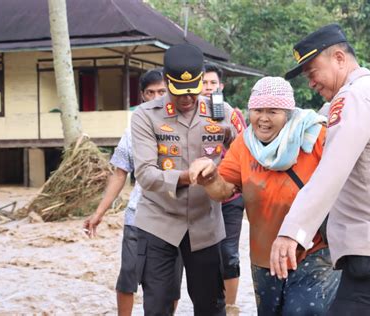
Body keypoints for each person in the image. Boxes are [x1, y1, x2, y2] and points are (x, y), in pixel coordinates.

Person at [269, 23, 370, 315]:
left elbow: (332, 171)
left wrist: (291, 232)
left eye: (312, 72)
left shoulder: (352, 97)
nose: (311, 83)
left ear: (339, 58)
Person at [190, 76, 340, 315]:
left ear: (288, 113)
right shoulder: (244, 145)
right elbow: (223, 191)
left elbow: (343, 179)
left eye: (273, 111)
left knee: (300, 311)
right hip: (265, 256)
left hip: (314, 252)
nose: (264, 119)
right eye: (257, 110)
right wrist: (210, 178)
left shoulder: (314, 137)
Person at [130, 44, 241, 316]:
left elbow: (244, 160)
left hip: (206, 224)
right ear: (167, 82)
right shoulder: (146, 116)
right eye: (180, 92)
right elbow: (144, 173)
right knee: (157, 307)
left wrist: (232, 141)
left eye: (193, 90)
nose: (187, 98)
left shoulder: (222, 112)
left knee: (211, 306)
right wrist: (186, 177)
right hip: (159, 223)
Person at [83, 70, 182, 316]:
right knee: (128, 276)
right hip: (138, 216)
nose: (156, 97)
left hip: (176, 216)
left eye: (161, 92)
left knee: (171, 285)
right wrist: (99, 212)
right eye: (150, 93)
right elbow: (120, 174)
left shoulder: (184, 127)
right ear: (142, 96)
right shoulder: (133, 131)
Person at [202, 64, 246, 314]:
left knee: (229, 254)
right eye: (204, 84)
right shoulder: (189, 114)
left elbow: (244, 147)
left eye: (212, 84)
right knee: (206, 256)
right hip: (202, 197)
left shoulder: (229, 113)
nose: (208, 88)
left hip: (231, 195)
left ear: (221, 86)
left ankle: (230, 307)